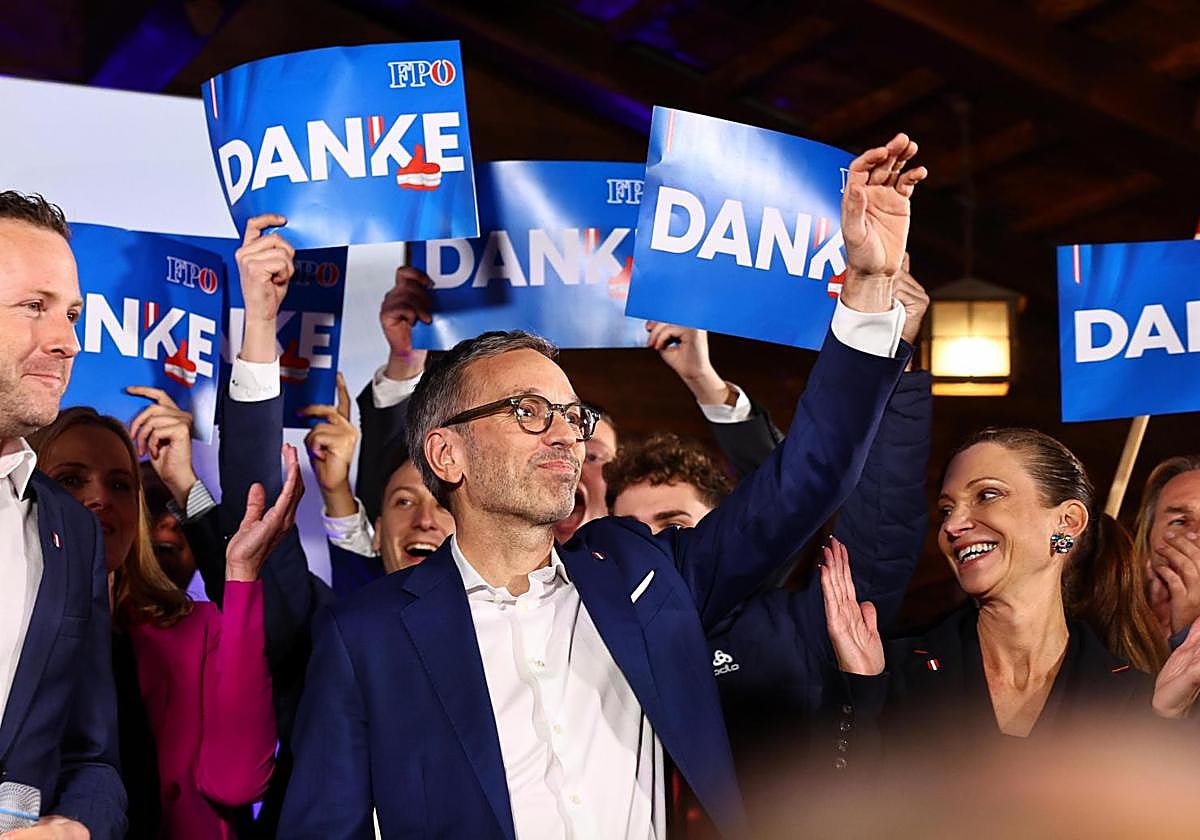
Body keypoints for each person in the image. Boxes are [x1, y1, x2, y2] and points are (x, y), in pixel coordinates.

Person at [280, 132, 926, 837]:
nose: (566, 433)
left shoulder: (646, 575)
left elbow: (811, 475)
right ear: (447, 453)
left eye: (571, 414)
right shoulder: (366, 635)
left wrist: (866, 287)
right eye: (529, 412)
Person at [126, 214, 333, 837]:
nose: (104, 503)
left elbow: (250, 530)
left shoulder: (221, 624)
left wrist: (262, 322)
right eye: (76, 480)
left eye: (119, 484)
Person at [821, 427, 1174, 775]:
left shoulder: (1131, 697)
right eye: (946, 509)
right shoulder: (893, 675)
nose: (952, 525)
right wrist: (859, 690)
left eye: (987, 495)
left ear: (1067, 522)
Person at [0, 191, 125, 839]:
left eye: (72, 315)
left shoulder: (72, 531)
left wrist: (76, 829)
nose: (68, 341)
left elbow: (93, 757)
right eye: (35, 308)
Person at [1133, 455, 1200, 645]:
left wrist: (1190, 633)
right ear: (1148, 537)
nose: (1195, 535)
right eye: (1179, 521)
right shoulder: (1105, 624)